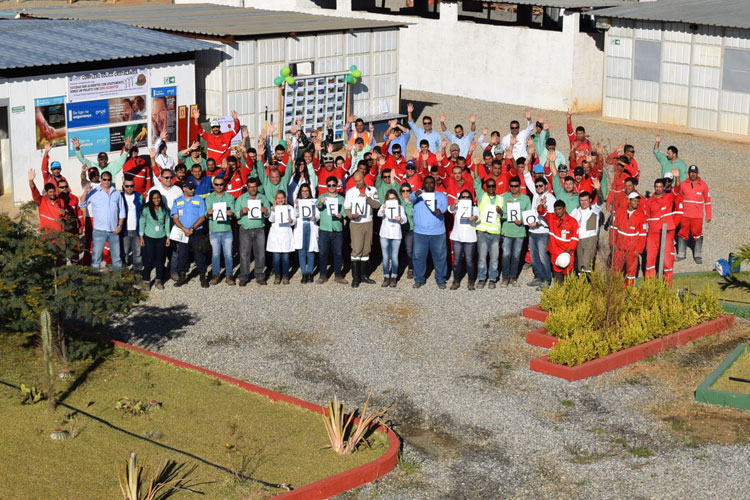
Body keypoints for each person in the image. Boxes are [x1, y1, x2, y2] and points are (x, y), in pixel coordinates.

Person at [80, 172, 125, 271]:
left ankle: (118, 280)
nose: (107, 181)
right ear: (101, 180)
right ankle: (95, 281)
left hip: (114, 230)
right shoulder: (94, 192)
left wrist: (120, 226)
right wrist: (86, 192)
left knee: (116, 258)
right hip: (99, 231)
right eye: (104, 179)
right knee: (96, 258)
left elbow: (122, 210)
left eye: (109, 179)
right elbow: (82, 204)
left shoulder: (116, 193)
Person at [410, 176, 449, 289]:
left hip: (437, 233)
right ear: (423, 184)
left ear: (434, 184)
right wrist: (415, 194)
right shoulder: (419, 195)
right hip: (420, 232)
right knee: (418, 257)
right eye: (426, 183)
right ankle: (419, 279)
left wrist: (439, 210)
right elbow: (411, 198)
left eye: (431, 183)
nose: (429, 185)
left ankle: (441, 279)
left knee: (440, 257)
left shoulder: (441, 196)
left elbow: (443, 208)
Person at [171, 179, 209, 288]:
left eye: (194, 188)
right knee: (182, 254)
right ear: (184, 188)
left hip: (196, 232)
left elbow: (203, 216)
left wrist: (192, 228)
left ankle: (203, 276)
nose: (193, 190)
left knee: (199, 254)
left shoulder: (199, 200)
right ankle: (182, 276)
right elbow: (175, 217)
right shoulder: (178, 201)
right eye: (190, 188)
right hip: (183, 232)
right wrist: (184, 229)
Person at [344, 172, 381, 287]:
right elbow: (346, 208)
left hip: (368, 222)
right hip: (356, 224)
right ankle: (356, 278)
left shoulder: (372, 189)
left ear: (363, 179)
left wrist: (368, 199)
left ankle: (364, 275)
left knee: (366, 250)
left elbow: (377, 205)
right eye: (356, 181)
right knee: (356, 250)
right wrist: (351, 216)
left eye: (359, 180)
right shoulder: (350, 192)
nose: (358, 183)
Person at [644, 178, 683, 284]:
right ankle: (649, 284)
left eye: (660, 187)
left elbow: (676, 190)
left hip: (665, 233)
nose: (658, 189)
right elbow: (647, 216)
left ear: (663, 188)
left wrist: (677, 178)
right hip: (652, 234)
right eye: (656, 187)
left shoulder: (668, 197)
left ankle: (667, 284)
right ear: (654, 187)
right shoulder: (650, 201)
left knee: (667, 261)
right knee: (650, 260)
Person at [235, 177, 269, 286]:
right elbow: (235, 213)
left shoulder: (263, 198)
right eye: (250, 187)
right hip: (245, 229)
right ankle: (244, 276)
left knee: (260, 254)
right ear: (247, 187)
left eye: (255, 187)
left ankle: (259, 275)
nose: (253, 189)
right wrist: (241, 212)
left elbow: (269, 215)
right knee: (245, 254)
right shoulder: (241, 199)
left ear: (257, 187)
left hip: (259, 229)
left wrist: (266, 211)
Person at [472, 173, 503, 289]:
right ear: (486, 187)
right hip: (482, 232)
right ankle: (481, 278)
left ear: (495, 187)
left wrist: (500, 211)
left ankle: (492, 279)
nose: (491, 188)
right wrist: (476, 166)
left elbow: (503, 215)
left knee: (494, 258)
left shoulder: (501, 199)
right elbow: (476, 183)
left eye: (492, 186)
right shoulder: (482, 196)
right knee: (482, 258)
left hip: (495, 233)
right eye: (488, 186)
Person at [610, 192, 647, 287]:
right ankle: (615, 291)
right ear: (629, 200)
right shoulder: (619, 212)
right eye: (634, 200)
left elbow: (643, 235)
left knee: (631, 273)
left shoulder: (641, 216)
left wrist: (638, 251)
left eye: (637, 201)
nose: (636, 203)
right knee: (616, 271)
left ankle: (629, 292)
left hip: (632, 250)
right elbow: (613, 229)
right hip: (619, 248)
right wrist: (612, 244)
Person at [676, 164, 711, 264]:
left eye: (694, 172)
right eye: (691, 172)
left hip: (697, 216)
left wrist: (708, 215)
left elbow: (708, 201)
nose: (693, 174)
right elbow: (678, 199)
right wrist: (678, 214)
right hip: (685, 215)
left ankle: (698, 255)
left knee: (698, 234)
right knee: (682, 233)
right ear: (688, 173)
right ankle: (681, 254)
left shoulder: (703, 185)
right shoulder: (683, 184)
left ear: (698, 173)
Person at [500, 176, 531, 286]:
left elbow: (528, 215)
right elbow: (500, 214)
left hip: (519, 232)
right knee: (506, 255)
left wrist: (521, 221)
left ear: (519, 186)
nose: (513, 188)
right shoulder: (504, 198)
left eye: (516, 186)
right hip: (507, 231)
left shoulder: (526, 199)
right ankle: (505, 277)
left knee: (516, 255)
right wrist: (506, 210)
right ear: (509, 187)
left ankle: (513, 277)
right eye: (512, 186)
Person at [525, 176, 555, 288]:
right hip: (533, 231)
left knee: (543, 257)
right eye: (537, 186)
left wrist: (537, 223)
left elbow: (551, 217)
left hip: (543, 232)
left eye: (541, 185)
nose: (538, 188)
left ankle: (547, 280)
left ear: (546, 186)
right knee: (534, 257)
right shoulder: (535, 196)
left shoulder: (550, 198)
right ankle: (538, 277)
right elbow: (528, 180)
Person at [316, 176, 347, 285]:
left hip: (337, 229)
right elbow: (317, 207)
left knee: (338, 253)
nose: (332, 187)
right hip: (324, 229)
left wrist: (341, 215)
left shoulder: (341, 198)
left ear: (336, 186)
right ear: (327, 186)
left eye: (334, 185)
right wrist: (321, 203)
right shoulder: (322, 197)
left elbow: (345, 210)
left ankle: (338, 275)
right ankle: (323, 275)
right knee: (323, 253)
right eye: (329, 185)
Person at [205, 175, 235, 285]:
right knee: (216, 254)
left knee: (228, 254)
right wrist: (208, 213)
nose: (219, 186)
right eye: (216, 184)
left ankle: (229, 275)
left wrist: (231, 213)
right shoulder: (209, 198)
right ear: (213, 185)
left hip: (226, 229)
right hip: (214, 229)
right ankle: (215, 275)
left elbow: (234, 211)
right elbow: (206, 214)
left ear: (224, 184)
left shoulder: (230, 197)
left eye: (221, 184)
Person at [540, 200, 579, 284]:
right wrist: (541, 205)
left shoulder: (573, 222)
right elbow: (541, 211)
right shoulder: (551, 218)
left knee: (568, 276)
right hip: (555, 252)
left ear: (565, 208)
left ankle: (569, 294)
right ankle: (559, 294)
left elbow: (575, 238)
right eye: (556, 209)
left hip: (567, 253)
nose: (557, 211)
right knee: (558, 277)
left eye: (559, 209)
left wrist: (569, 250)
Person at [139, 190, 171, 290]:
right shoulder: (146, 209)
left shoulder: (164, 209)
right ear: (151, 199)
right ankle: (146, 280)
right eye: (154, 198)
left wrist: (168, 237)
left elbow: (167, 223)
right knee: (149, 259)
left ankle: (158, 279)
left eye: (158, 198)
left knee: (160, 260)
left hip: (161, 237)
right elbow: (142, 222)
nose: (156, 200)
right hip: (149, 237)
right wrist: (141, 237)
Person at [448, 190, 479, 290]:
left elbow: (478, 218)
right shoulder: (457, 207)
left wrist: (474, 218)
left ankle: (471, 281)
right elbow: (450, 209)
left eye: (467, 197)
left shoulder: (474, 208)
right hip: (457, 236)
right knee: (457, 260)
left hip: (470, 238)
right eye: (463, 197)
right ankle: (456, 280)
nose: (465, 199)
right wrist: (455, 203)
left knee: (469, 260)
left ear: (471, 198)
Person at [570, 183, 603, 275]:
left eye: (585, 200)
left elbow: (600, 201)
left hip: (590, 239)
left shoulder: (594, 210)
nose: (583, 202)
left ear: (590, 200)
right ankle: (581, 287)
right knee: (580, 264)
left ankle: (587, 285)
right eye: (581, 200)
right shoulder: (576, 211)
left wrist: (598, 189)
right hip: (578, 240)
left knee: (586, 264)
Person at [377, 189, 406, 287]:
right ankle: (386, 276)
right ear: (386, 199)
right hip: (384, 234)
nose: (392, 200)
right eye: (390, 199)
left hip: (396, 235)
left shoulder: (400, 208)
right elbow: (379, 214)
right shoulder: (384, 206)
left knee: (394, 257)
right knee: (385, 257)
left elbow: (404, 220)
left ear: (397, 198)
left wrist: (400, 218)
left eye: (393, 198)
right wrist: (383, 210)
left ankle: (394, 276)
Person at [267, 190, 296, 285]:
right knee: (276, 258)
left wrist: (291, 220)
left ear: (285, 198)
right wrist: (273, 211)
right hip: (275, 235)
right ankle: (277, 275)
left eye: (282, 198)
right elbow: (271, 219)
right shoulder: (273, 208)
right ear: (275, 199)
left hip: (286, 235)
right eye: (278, 198)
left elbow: (294, 221)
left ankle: (285, 275)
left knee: (286, 258)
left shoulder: (290, 208)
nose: (280, 200)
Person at [293, 184, 320, 284]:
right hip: (301, 227)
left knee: (310, 251)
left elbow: (318, 214)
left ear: (309, 192)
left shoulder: (314, 202)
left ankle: (310, 273)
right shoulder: (298, 202)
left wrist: (315, 217)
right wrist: (296, 207)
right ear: (300, 192)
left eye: (307, 191)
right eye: (303, 191)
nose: (305, 193)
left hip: (310, 226)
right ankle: (304, 273)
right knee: (302, 251)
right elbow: (294, 215)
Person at [120, 179, 144, 274]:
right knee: (124, 252)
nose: (129, 188)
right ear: (123, 186)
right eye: (127, 186)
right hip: (124, 229)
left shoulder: (139, 196)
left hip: (137, 229)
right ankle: (123, 271)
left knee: (137, 253)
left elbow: (143, 211)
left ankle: (137, 271)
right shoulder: (120, 196)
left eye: (131, 186)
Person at [399, 183, 416, 279]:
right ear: (401, 193)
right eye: (403, 191)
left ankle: (411, 268)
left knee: (410, 250)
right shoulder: (398, 202)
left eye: (407, 190)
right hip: (399, 229)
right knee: (399, 250)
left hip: (410, 228)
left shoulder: (413, 202)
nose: (406, 193)